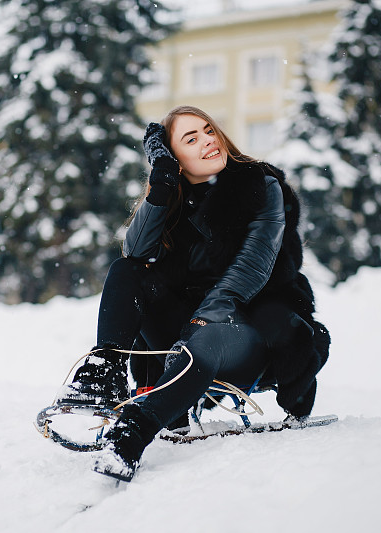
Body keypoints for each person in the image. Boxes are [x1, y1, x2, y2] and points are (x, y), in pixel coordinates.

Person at [56, 105, 330, 482]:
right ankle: (105, 370)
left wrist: (201, 322)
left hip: (249, 326)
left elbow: (252, 265)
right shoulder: (173, 194)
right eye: (191, 138)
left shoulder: (261, 187)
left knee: (208, 334)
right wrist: (163, 183)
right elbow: (135, 255)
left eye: (208, 131)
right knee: (127, 270)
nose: (208, 141)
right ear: (175, 158)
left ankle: (131, 434)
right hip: (184, 326)